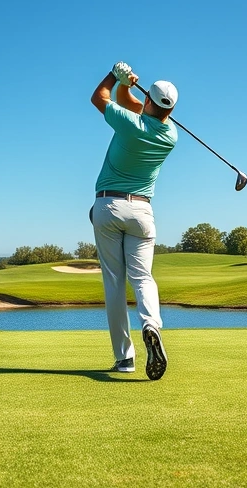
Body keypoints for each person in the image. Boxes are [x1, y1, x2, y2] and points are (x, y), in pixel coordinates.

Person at [89, 61, 178, 380]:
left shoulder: (131, 124)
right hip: (142, 213)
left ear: (151, 102)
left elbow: (98, 98)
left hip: (108, 206)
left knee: (114, 283)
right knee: (143, 278)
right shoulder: (170, 134)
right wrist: (126, 85)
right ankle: (151, 324)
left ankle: (124, 358)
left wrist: (115, 76)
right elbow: (133, 104)